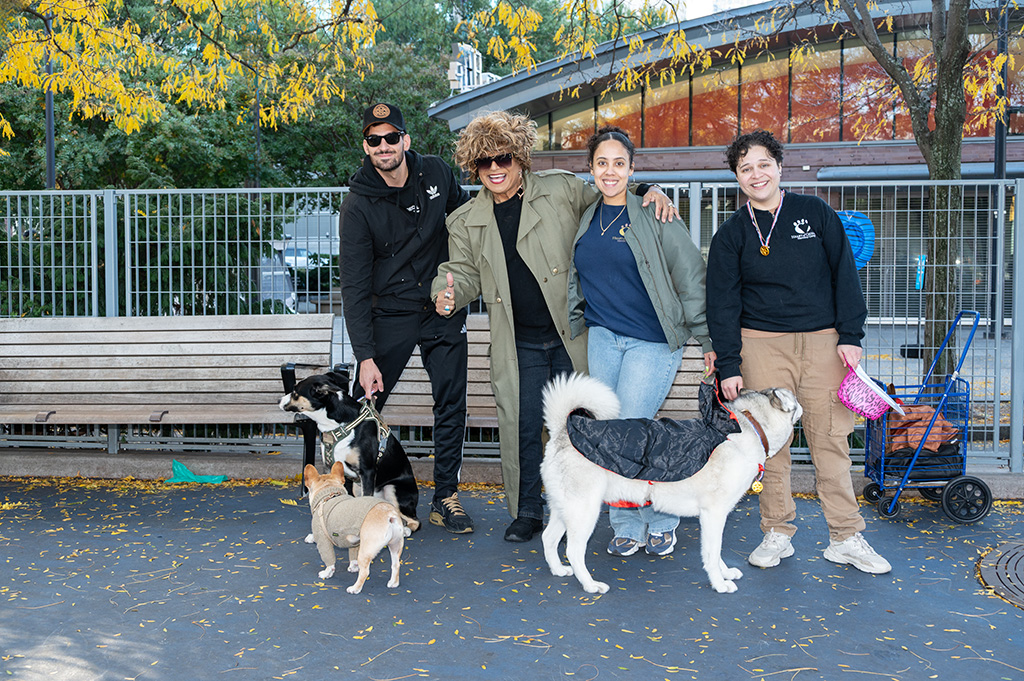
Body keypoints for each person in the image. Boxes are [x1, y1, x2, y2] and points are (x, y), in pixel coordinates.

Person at [431, 110, 678, 543]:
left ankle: (579, 511)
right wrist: (446, 292)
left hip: (573, 335)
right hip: (519, 344)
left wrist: (646, 188)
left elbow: (608, 196)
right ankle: (528, 511)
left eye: (503, 158)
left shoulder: (561, 189)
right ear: (474, 166)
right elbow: (461, 272)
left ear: (519, 158)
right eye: (484, 162)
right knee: (523, 428)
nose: (494, 169)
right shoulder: (465, 221)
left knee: (579, 429)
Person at [705, 129, 891, 574]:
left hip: (825, 342)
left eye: (763, 164)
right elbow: (722, 303)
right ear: (737, 177)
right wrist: (729, 363)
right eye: (745, 168)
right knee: (770, 446)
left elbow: (845, 274)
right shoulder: (731, 235)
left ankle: (846, 536)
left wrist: (850, 335)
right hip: (761, 345)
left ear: (779, 166)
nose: (756, 174)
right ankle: (777, 531)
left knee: (831, 438)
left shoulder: (815, 213)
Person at [567, 125, 715, 558]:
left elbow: (690, 276)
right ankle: (626, 522)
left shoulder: (655, 213)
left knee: (634, 427)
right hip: (602, 338)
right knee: (611, 435)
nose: (609, 172)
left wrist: (707, 340)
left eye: (619, 163)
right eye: (601, 163)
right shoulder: (587, 213)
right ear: (591, 168)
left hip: (650, 342)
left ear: (633, 168)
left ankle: (663, 518)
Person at [338, 103, 474, 534]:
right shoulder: (357, 206)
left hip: (440, 308)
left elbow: (468, 224)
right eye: (374, 140)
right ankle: (348, 500)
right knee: (364, 407)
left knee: (451, 403)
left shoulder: (437, 173)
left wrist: (460, 279)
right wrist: (365, 355)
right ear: (366, 146)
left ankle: (446, 496)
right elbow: (354, 288)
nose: (383, 146)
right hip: (389, 314)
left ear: (405, 140)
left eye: (391, 137)